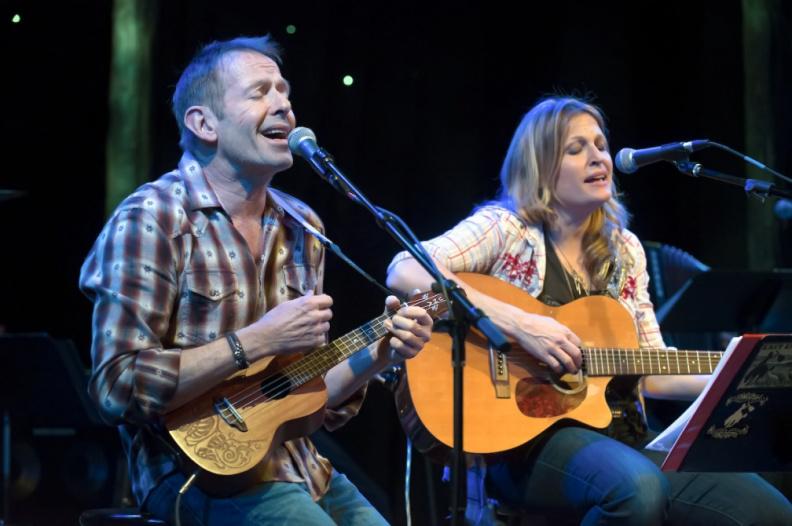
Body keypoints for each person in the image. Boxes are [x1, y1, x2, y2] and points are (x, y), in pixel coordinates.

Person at [386, 96, 792, 525]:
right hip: (522, 444)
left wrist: (748, 373)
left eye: (600, 145)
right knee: (636, 489)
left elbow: (653, 370)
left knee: (769, 512)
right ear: (540, 166)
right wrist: (520, 324)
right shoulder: (506, 228)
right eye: (575, 148)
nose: (598, 157)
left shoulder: (624, 250)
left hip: (621, 437)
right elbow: (404, 267)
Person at [79, 35, 433, 526]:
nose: (283, 104)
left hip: (301, 468)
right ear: (204, 123)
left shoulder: (303, 225)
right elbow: (116, 386)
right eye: (259, 92)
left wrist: (380, 355)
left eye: (284, 91)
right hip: (189, 477)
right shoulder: (151, 218)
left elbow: (302, 396)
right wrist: (256, 340)